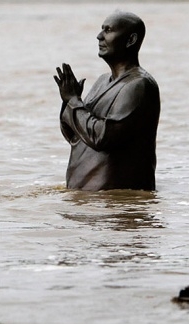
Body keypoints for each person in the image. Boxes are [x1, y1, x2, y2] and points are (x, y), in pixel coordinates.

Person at [54, 11, 160, 191]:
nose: (99, 36)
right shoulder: (102, 81)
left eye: (108, 30)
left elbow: (102, 137)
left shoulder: (138, 85)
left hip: (115, 207)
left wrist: (74, 102)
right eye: (101, 29)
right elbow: (75, 137)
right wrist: (68, 101)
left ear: (131, 40)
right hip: (88, 202)